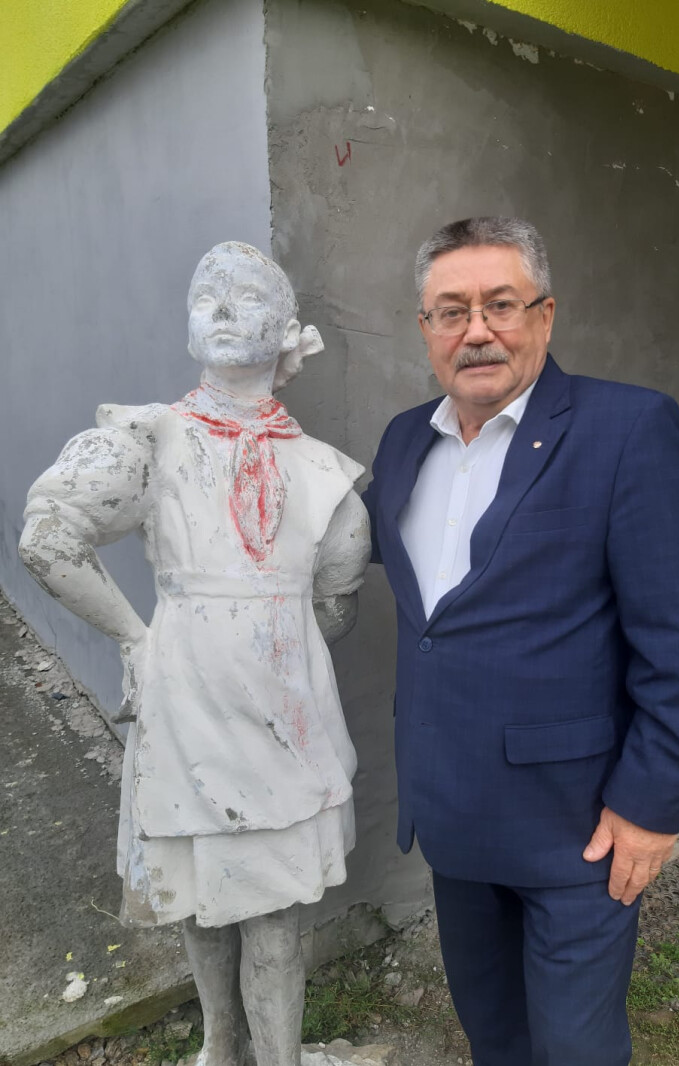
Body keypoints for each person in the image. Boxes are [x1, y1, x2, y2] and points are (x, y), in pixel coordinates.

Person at [362, 217, 679, 1066]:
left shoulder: (625, 429)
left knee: (574, 1047)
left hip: (578, 827)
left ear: (545, 314)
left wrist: (649, 807)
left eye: (500, 304)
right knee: (492, 1031)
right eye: (450, 311)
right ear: (425, 329)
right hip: (451, 816)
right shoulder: (403, 440)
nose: (476, 331)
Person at [20, 243, 371, 1066]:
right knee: (199, 894)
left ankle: (276, 1059)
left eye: (246, 295)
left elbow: (333, 604)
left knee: (275, 912)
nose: (219, 307)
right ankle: (220, 1049)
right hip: (184, 700)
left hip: (283, 715)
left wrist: (272, 652)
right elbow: (49, 537)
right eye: (204, 294)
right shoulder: (149, 438)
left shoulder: (321, 473)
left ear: (285, 330)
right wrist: (137, 638)